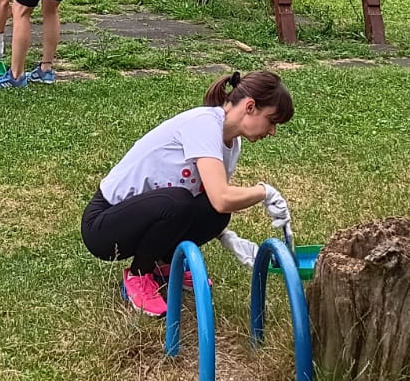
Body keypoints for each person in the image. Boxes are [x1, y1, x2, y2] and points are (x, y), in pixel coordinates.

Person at [81, 70, 295, 317]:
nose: (272, 132)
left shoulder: (231, 144)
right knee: (178, 202)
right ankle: (138, 277)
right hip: (104, 225)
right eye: (272, 121)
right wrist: (264, 192)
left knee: (214, 214)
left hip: (146, 215)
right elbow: (222, 197)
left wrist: (229, 238)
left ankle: (165, 265)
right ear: (250, 106)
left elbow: (211, 201)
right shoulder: (204, 124)